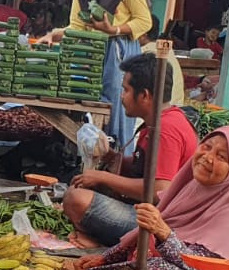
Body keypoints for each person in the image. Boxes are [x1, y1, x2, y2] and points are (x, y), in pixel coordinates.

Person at [66, 126, 229, 270]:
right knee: (145, 254)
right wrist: (104, 258)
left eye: (221, 156)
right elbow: (142, 234)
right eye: (207, 146)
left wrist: (164, 232)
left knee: (156, 268)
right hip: (178, 263)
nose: (207, 158)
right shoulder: (191, 185)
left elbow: (201, 267)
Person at [62, 53, 198, 246]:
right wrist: (112, 157)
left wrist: (104, 177)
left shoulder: (166, 129)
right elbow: (144, 170)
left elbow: (159, 190)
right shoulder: (157, 123)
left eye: (125, 90)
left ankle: (99, 240)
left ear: (144, 95)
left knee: (75, 199)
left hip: (161, 224)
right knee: (86, 190)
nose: (121, 96)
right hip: (147, 213)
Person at [55, 0, 152, 152]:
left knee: (118, 109)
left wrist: (115, 30)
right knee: (85, 104)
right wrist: (58, 35)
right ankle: (88, 158)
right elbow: (77, 25)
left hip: (120, 54)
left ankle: (118, 162)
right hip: (91, 54)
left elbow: (144, 21)